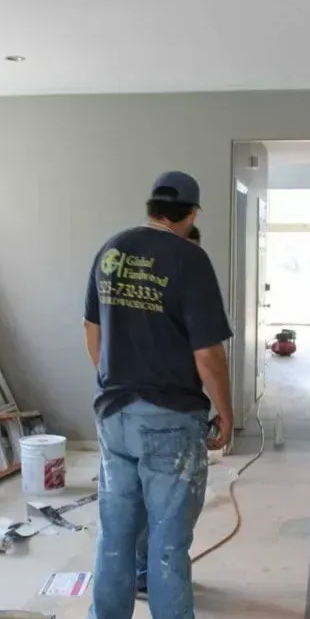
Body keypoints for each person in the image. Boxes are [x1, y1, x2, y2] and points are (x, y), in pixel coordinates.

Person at [83, 171, 233, 619]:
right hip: (169, 418)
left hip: (114, 415)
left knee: (116, 531)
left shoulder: (112, 250)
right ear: (191, 215)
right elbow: (207, 352)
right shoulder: (189, 258)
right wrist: (227, 413)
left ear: (152, 208)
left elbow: (92, 329)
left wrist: (117, 381)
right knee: (168, 537)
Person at [135, 218, 201, 599]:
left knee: (149, 504)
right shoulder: (165, 290)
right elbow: (207, 355)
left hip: (157, 408)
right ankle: (151, 578)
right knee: (167, 507)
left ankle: (149, 574)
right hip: (163, 413)